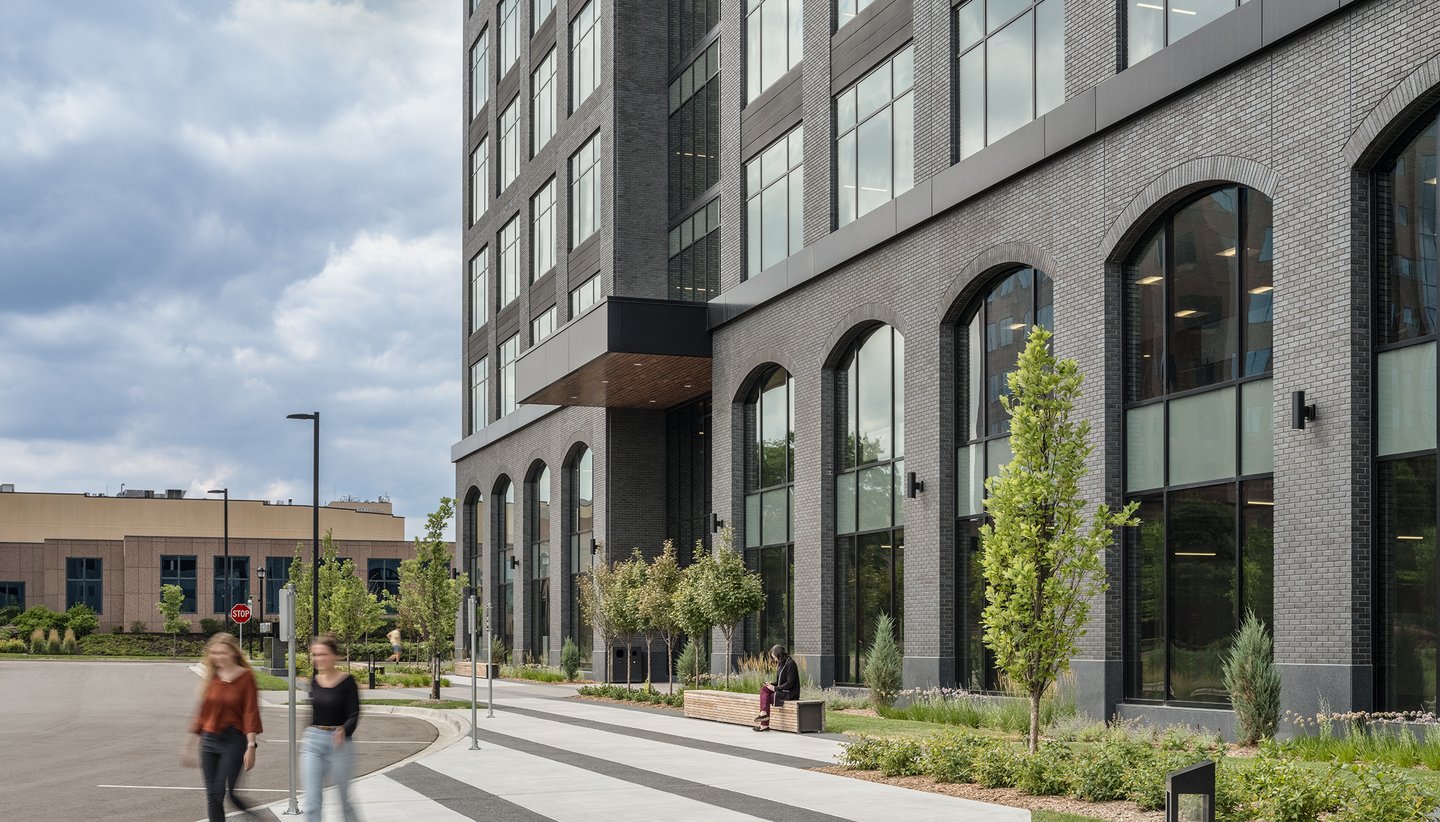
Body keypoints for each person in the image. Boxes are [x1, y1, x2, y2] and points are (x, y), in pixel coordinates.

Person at [188, 632, 262, 821]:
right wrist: (189, 745)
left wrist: (251, 746)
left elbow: (250, 712)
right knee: (213, 796)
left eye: (222, 653)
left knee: (227, 793)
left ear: (233, 653)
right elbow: (202, 713)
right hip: (209, 740)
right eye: (214, 653)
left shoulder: (245, 677)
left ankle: (257, 817)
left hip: (233, 741)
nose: (218, 657)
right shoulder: (211, 677)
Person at [303, 633, 361, 821]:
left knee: (344, 801)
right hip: (313, 744)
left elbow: (354, 713)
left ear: (335, 655)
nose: (318, 659)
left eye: (323, 654)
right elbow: (313, 713)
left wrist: (344, 729)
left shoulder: (347, 682)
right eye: (315, 655)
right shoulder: (313, 681)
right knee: (311, 803)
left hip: (339, 745)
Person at [755, 644, 799, 732]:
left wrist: (774, 688)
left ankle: (764, 724)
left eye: (774, 657)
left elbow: (790, 683)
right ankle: (763, 714)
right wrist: (771, 684)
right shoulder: (781, 664)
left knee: (767, 697)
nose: (774, 659)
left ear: (779, 655)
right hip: (782, 690)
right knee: (764, 689)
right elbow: (780, 681)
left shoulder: (790, 664)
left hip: (790, 693)